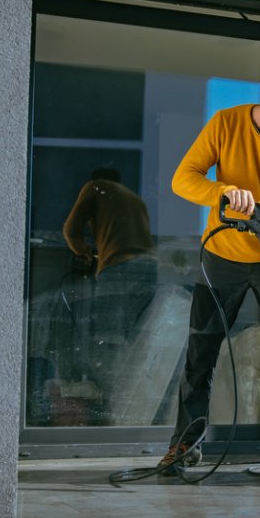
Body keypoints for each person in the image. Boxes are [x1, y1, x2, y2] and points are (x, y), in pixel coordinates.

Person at [160, 58, 260, 484]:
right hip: (223, 257)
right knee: (201, 353)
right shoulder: (225, 124)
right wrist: (223, 191)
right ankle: (185, 445)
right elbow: (182, 179)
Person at [61, 168, 157, 420]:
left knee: (107, 338)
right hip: (149, 269)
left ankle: (111, 411)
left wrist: (83, 252)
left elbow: (71, 230)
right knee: (133, 339)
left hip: (119, 267)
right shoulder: (135, 199)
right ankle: (132, 408)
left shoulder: (94, 188)